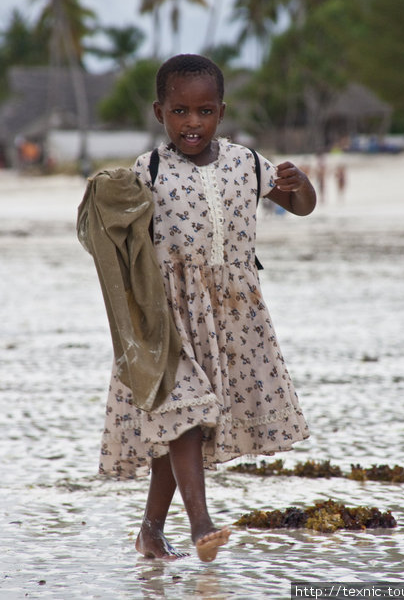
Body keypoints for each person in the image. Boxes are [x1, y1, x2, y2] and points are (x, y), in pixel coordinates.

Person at [98, 53, 317, 563]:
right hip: (166, 316)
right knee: (184, 417)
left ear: (221, 111)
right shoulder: (148, 170)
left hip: (232, 314)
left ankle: (151, 534)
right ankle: (202, 525)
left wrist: (300, 183)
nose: (191, 123)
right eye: (179, 112)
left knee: (182, 427)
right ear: (159, 113)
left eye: (203, 111)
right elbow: (117, 239)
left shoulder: (248, 162)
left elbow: (301, 207)